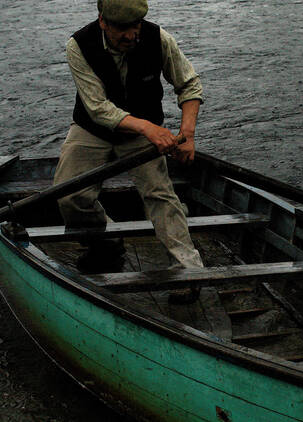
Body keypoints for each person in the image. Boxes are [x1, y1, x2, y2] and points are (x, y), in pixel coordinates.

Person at [52, 0, 204, 302]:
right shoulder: (79, 45)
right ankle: (105, 240)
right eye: (122, 28)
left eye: (135, 26)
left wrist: (187, 133)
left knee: (160, 195)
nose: (131, 34)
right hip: (93, 129)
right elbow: (98, 109)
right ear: (103, 22)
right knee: (69, 195)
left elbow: (189, 85)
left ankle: (189, 271)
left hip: (142, 128)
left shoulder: (157, 38)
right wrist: (149, 129)